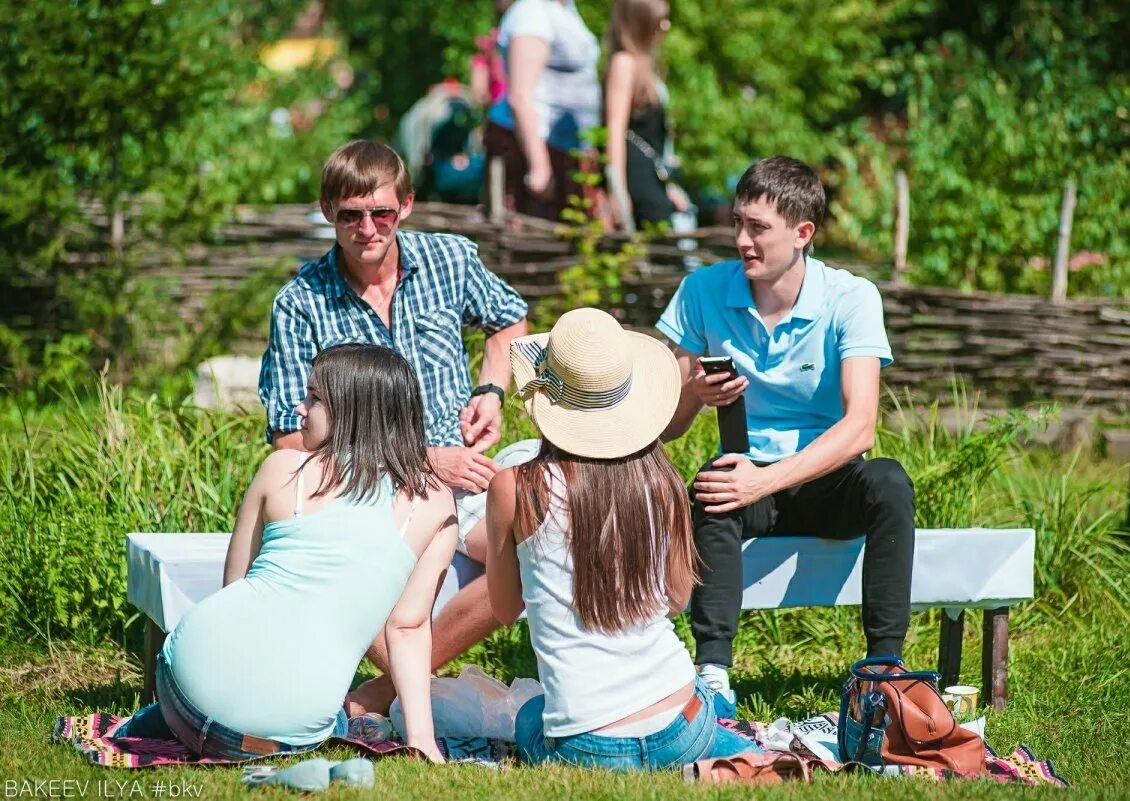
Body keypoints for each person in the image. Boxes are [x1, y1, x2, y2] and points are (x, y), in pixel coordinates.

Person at [257, 139, 533, 714]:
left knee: (539, 544)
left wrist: (490, 389)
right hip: (360, 492)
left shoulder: (449, 260)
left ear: (405, 205)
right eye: (351, 215)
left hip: (462, 481)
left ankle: (384, 691)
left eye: (381, 212)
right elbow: (288, 435)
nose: (367, 228)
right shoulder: (300, 302)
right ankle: (407, 690)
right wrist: (426, 459)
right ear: (328, 211)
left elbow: (510, 322)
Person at [655, 157, 916, 713]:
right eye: (738, 223)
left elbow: (860, 426)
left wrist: (766, 481)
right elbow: (668, 426)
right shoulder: (701, 291)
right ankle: (714, 675)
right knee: (712, 485)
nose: (741, 240)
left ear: (803, 234)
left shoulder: (852, 297)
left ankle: (884, 674)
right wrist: (695, 397)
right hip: (746, 476)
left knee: (890, 481)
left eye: (758, 228)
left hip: (827, 479)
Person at [114, 344, 457, 762]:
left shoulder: (283, 469)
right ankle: (347, 721)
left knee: (199, 695)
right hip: (281, 737)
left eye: (314, 398)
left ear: (351, 410)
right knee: (332, 719)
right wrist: (422, 741)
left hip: (182, 691)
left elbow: (234, 591)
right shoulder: (435, 504)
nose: (299, 408)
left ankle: (151, 725)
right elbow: (406, 629)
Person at [485, 308, 761, 770]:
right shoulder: (662, 480)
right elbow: (675, 601)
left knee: (531, 714)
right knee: (730, 731)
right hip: (682, 723)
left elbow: (503, 605)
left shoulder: (514, 487)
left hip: (585, 742)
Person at [484, 0, 601, 220]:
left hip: (564, 150)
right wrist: (539, 167)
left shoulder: (563, 9)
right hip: (534, 149)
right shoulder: (531, 12)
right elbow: (521, 96)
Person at [603, 0, 689, 233]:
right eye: (659, 20)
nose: (666, 26)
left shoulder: (646, 66)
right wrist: (617, 191)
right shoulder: (624, 63)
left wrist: (667, 185)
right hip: (635, 176)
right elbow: (615, 129)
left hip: (651, 174)